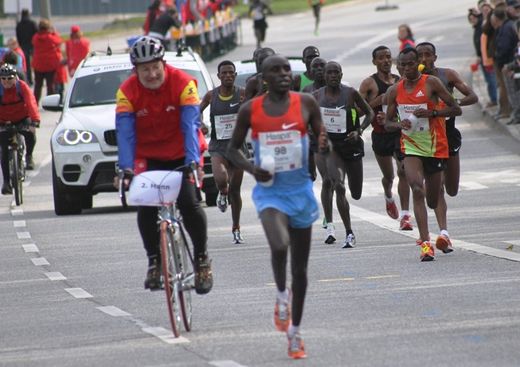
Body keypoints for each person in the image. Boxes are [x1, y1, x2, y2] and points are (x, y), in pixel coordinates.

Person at [227, 54, 328, 359]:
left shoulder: (306, 103)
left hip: (300, 191)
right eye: (276, 70)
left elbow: (322, 135)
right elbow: (232, 149)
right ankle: (281, 296)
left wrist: (324, 143)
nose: (284, 74)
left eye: (287, 69)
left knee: (301, 269)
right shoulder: (250, 109)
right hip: (270, 192)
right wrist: (251, 169)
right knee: (279, 242)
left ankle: (295, 333)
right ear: (263, 77)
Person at [115, 36, 213, 294]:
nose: (151, 73)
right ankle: (154, 262)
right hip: (148, 157)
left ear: (163, 63)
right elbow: (125, 133)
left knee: (189, 203)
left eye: (155, 66)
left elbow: (190, 125)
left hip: (183, 152)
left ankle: (202, 260)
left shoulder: (183, 83)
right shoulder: (127, 91)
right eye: (144, 69)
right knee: (146, 208)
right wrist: (125, 168)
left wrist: (193, 161)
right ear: (135, 70)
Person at [384, 48, 461, 261]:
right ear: (398, 66)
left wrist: (433, 113)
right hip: (411, 146)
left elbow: (456, 109)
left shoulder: (431, 83)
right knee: (417, 188)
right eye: (402, 65)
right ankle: (426, 243)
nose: (406, 68)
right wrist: (399, 123)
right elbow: (387, 122)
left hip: (436, 146)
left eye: (410, 64)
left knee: (433, 199)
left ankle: (444, 232)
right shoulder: (394, 91)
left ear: (418, 62)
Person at [416, 41, 478, 253]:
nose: (424, 59)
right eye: (420, 55)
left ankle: (443, 232)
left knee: (451, 189)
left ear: (435, 57)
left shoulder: (448, 75)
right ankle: (444, 234)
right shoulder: (414, 80)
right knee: (438, 186)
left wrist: (452, 105)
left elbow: (472, 96)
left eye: (428, 54)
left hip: (449, 135)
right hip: (427, 139)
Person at [315, 61, 374, 248]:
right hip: (332, 148)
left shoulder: (350, 93)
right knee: (338, 186)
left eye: (336, 72)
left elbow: (370, 113)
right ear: (324, 76)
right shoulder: (316, 96)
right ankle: (349, 232)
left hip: (351, 145)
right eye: (329, 72)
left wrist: (360, 130)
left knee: (356, 193)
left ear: (341, 74)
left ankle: (346, 228)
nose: (333, 75)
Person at [359, 45, 413, 230]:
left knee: (403, 171)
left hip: (398, 132)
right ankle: (388, 195)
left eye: (388, 57)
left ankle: (405, 215)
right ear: (374, 62)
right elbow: (357, 110)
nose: (385, 61)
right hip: (380, 136)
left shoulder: (400, 81)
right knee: (389, 176)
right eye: (381, 58)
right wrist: (378, 101)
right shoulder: (369, 84)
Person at [199, 60, 247, 244]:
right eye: (224, 73)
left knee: (236, 190)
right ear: (218, 76)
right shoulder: (212, 95)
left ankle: (236, 228)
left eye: (231, 73)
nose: (228, 76)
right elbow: (197, 110)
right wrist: (201, 123)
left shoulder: (242, 94)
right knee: (221, 180)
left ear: (235, 75)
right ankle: (222, 192)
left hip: (237, 148)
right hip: (218, 147)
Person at [0, 64, 40, 194]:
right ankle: (6, 182)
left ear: (15, 77)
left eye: (9, 78)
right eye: (3, 78)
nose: (6, 81)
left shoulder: (21, 87)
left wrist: (35, 121)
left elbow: (31, 102)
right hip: (3, 121)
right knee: (4, 150)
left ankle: (29, 156)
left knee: (30, 135)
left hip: (22, 117)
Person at [31, 19, 63, 104]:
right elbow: (59, 41)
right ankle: (50, 103)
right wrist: (54, 32)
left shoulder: (35, 37)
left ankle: (35, 103)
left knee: (38, 85)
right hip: (50, 64)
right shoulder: (51, 37)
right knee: (50, 85)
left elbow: (33, 43)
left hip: (38, 65)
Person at [15, 8, 37, 85]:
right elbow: (36, 34)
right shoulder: (32, 23)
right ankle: (35, 79)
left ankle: (28, 80)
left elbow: (18, 36)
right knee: (35, 64)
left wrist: (21, 44)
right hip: (32, 46)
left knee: (26, 65)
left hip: (24, 46)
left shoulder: (19, 25)